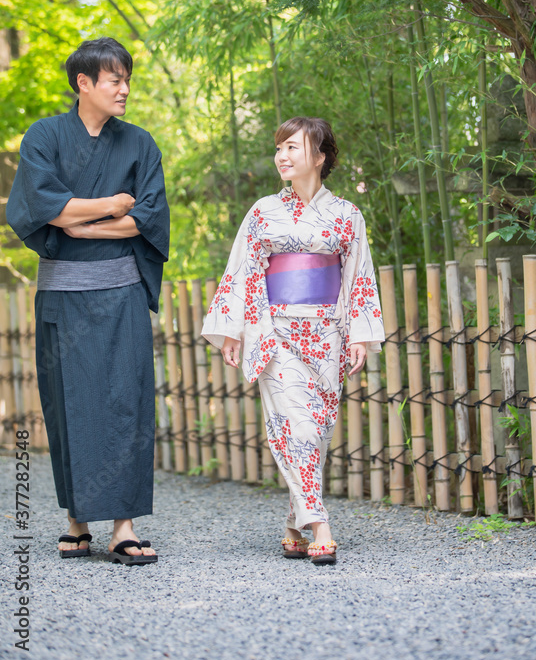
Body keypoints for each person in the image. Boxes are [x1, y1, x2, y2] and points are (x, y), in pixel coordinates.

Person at [7, 37, 169, 566]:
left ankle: (124, 526)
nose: (125, 89)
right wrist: (111, 205)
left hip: (121, 293)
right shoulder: (44, 136)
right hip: (63, 295)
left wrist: (83, 222)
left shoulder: (139, 143)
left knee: (127, 401)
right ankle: (77, 519)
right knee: (67, 404)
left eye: (127, 80)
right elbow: (43, 209)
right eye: (115, 80)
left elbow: (147, 219)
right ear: (84, 83)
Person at [202, 116, 384, 565]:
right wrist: (232, 330)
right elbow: (241, 271)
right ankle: (320, 525)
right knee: (295, 426)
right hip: (277, 331)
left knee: (316, 431)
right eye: (279, 148)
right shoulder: (263, 212)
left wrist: (359, 335)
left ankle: (292, 522)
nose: (282, 156)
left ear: (319, 157)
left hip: (327, 333)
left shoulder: (347, 214)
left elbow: (359, 275)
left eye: (292, 148)